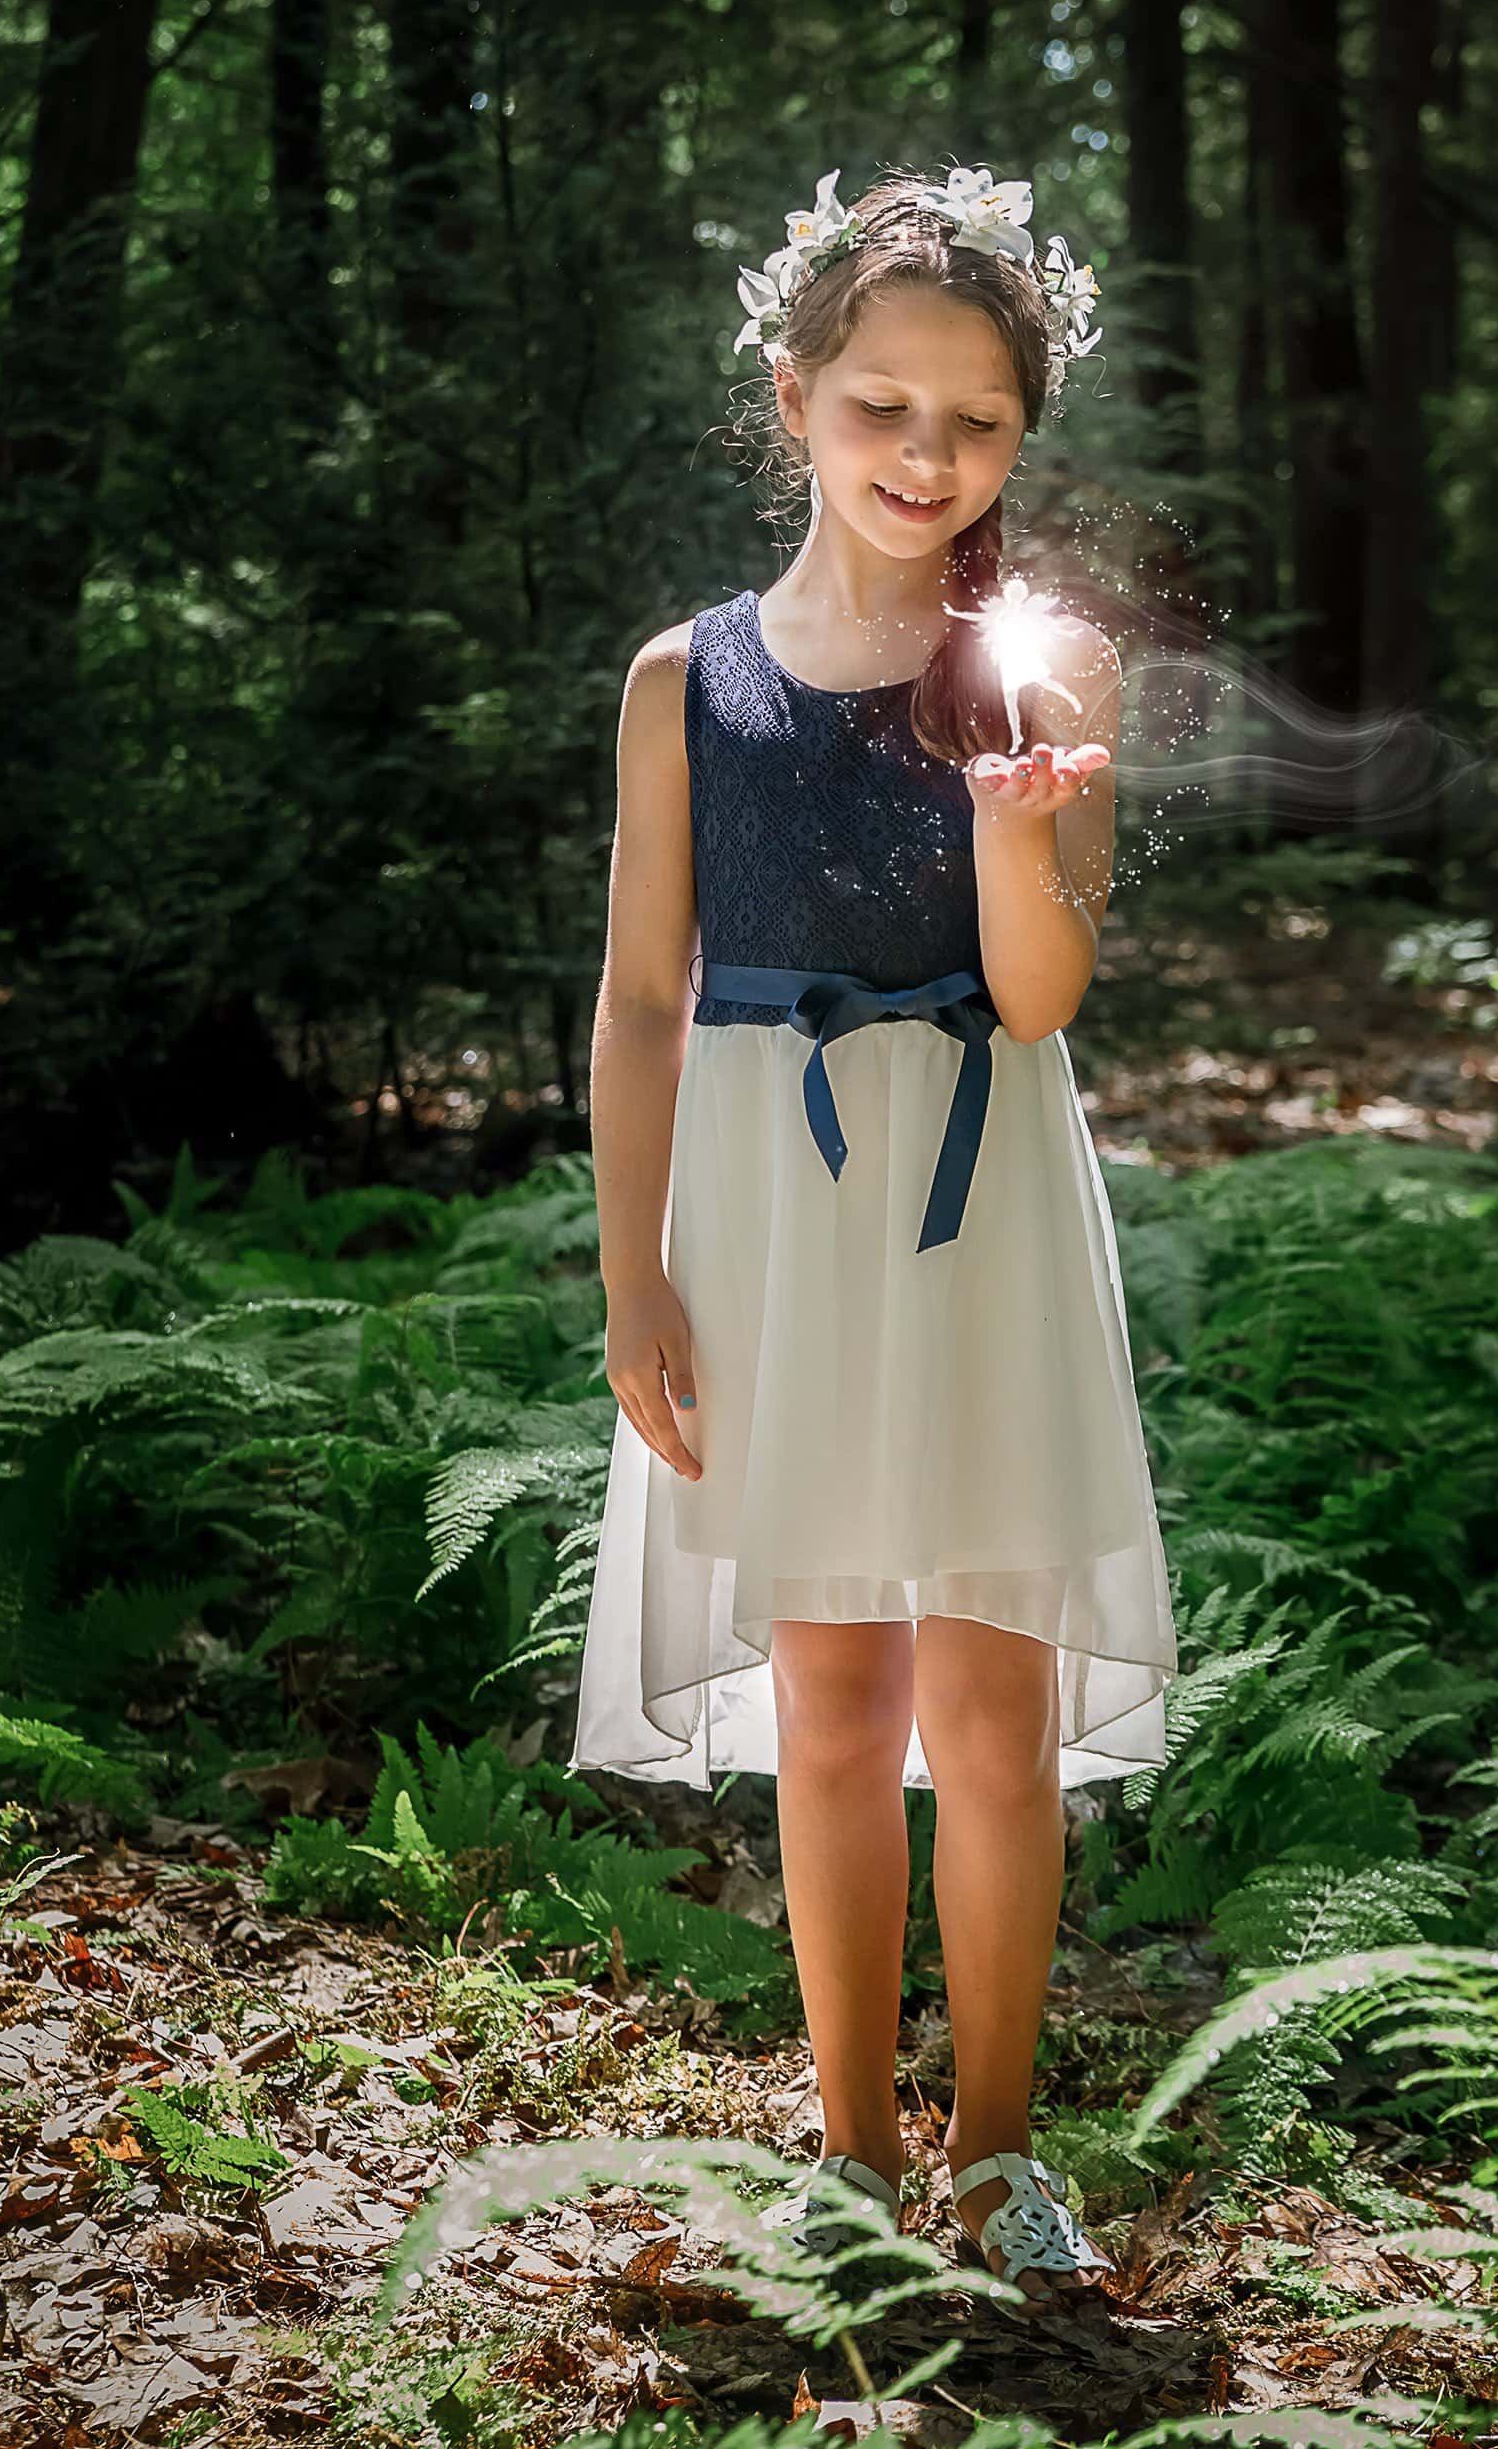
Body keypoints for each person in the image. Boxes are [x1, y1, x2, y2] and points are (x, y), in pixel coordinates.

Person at [574, 161, 1178, 2313]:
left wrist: (1021, 823)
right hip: (767, 1208)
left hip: (980, 1195)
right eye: (883, 408)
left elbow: (1035, 997)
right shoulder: (686, 680)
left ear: (1023, 436)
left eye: (979, 423)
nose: (928, 459)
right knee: (834, 1700)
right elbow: (647, 995)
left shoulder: (1043, 660)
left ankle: (995, 2153)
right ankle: (845, 2143)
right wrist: (634, 1264)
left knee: (991, 1712)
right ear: (796, 394)